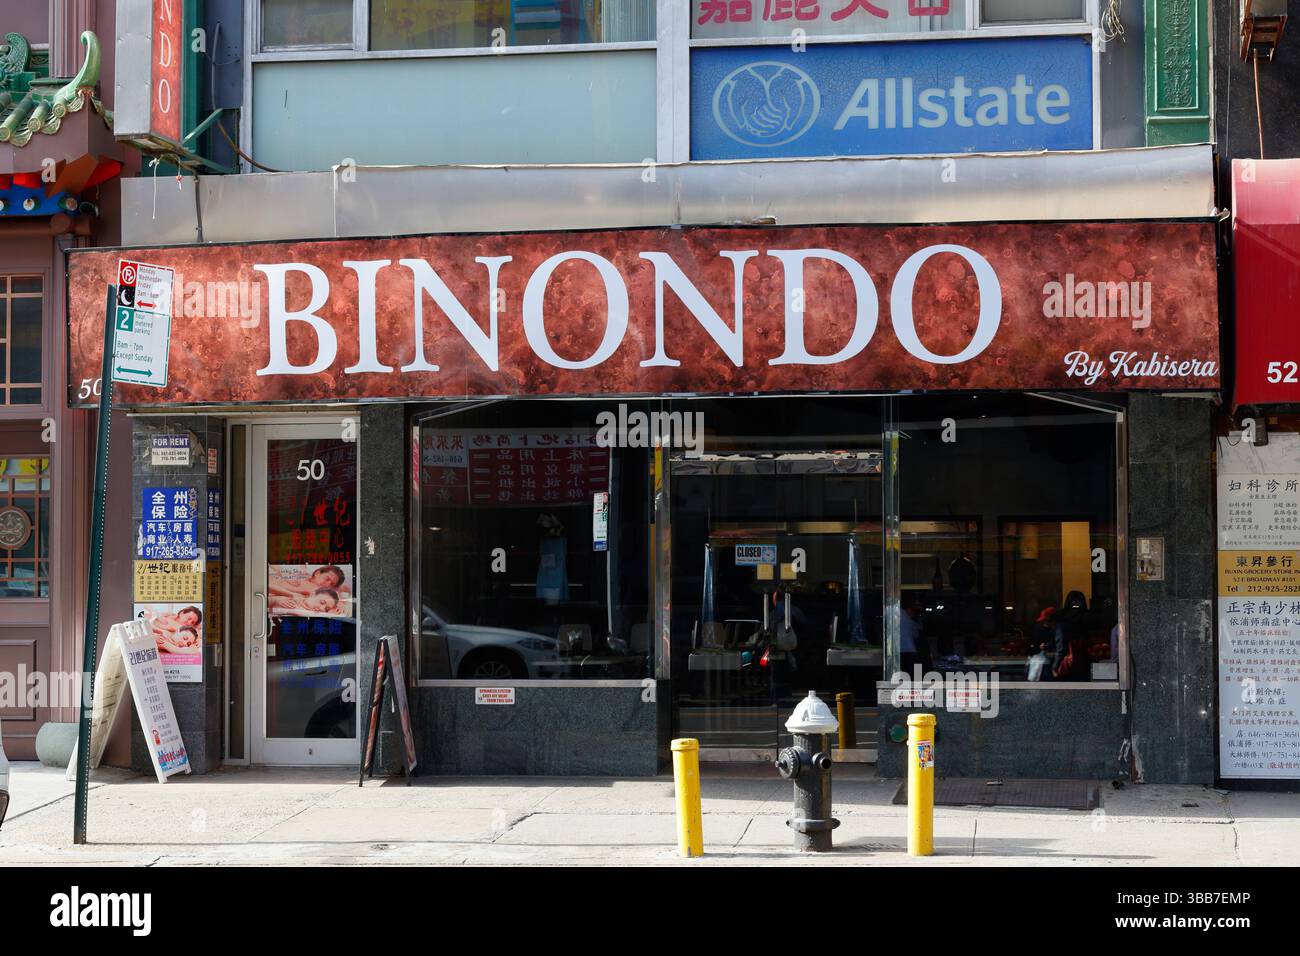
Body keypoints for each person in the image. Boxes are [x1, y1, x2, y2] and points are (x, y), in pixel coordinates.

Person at [1052, 590, 1092, 681]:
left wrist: (1055, 667)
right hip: (1084, 664)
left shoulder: (1061, 619)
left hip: (1066, 664)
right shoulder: (1088, 618)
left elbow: (1060, 647)